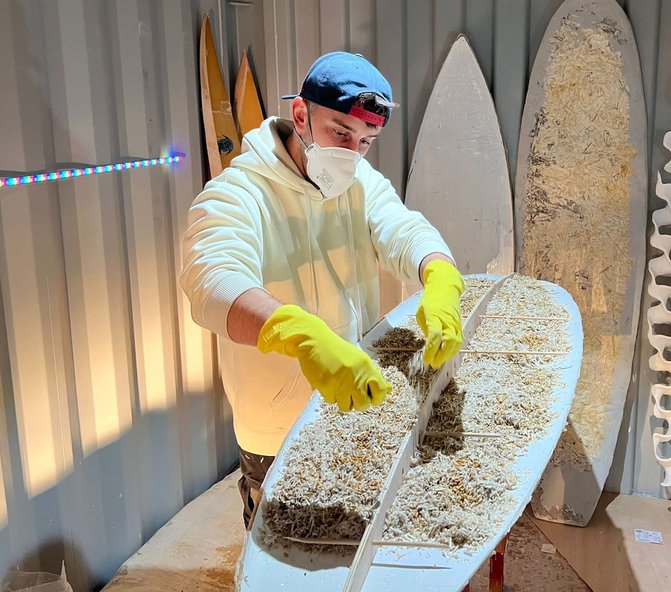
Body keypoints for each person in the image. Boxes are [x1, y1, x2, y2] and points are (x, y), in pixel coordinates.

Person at [179, 51, 465, 529]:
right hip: (277, 433)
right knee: (284, 554)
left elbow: (404, 229)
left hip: (354, 410)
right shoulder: (237, 194)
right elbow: (212, 280)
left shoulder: (359, 183)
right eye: (340, 133)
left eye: (366, 141)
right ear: (300, 115)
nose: (352, 152)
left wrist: (439, 276)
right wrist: (299, 334)